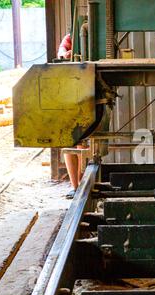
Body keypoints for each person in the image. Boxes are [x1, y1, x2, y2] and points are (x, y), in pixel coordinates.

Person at [57, 34, 87, 199]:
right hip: (72, 90)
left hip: (88, 92)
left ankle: (83, 184)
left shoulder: (100, 36)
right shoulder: (71, 37)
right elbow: (62, 50)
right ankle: (76, 187)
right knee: (69, 143)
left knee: (82, 145)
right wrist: (65, 54)